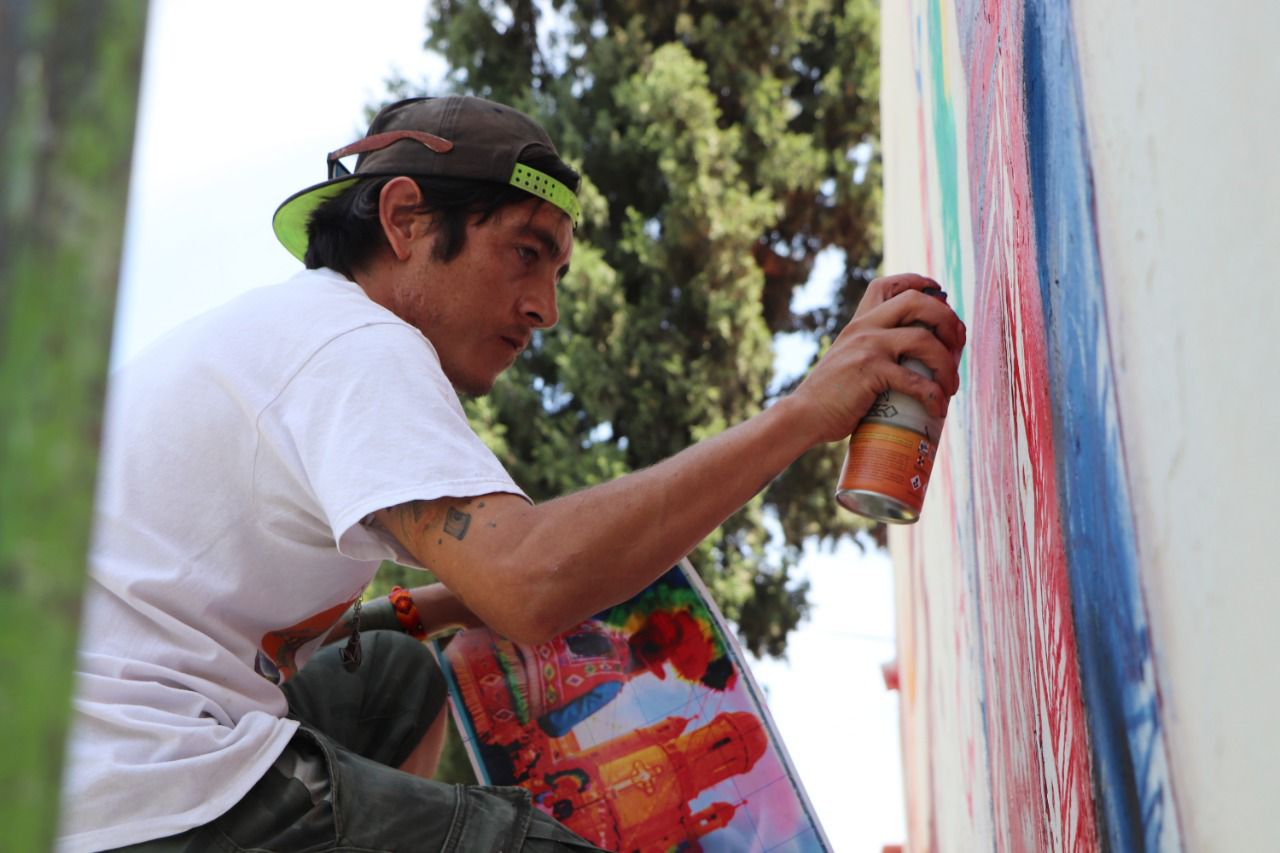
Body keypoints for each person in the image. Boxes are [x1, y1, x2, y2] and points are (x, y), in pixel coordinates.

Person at [57, 95, 965, 852]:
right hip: (129, 786)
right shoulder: (357, 345)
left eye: (560, 270)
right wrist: (804, 412)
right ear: (406, 219)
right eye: (526, 252)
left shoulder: (290, 336)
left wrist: (439, 605)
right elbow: (530, 579)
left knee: (394, 680)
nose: (546, 307)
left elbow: (366, 616)